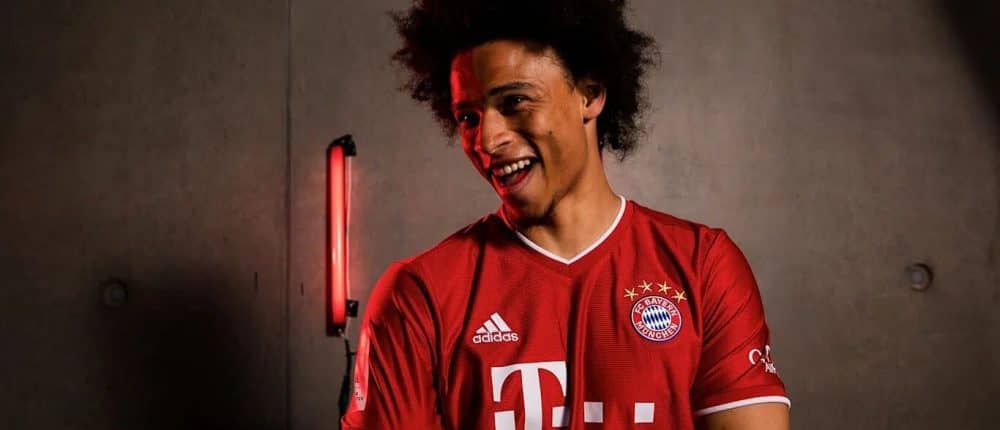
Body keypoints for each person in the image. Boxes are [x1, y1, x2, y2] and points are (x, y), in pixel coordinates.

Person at [341, 1, 790, 429]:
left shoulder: (702, 267)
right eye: (468, 118)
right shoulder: (417, 297)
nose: (487, 140)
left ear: (589, 95)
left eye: (515, 102)